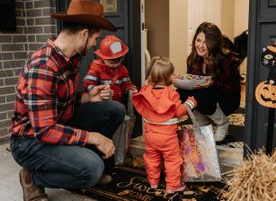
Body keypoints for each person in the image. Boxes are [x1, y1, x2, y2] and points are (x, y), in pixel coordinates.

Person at [10, 0, 126, 201]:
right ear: (84, 34)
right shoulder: (43, 67)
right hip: (30, 142)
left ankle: (78, 162)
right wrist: (93, 137)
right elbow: (45, 130)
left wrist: (88, 97)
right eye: (95, 39)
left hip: (59, 122)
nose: (93, 45)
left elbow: (60, 101)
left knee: (115, 109)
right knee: (92, 169)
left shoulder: (70, 58)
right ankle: (33, 177)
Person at [132, 58, 197, 194]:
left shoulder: (146, 91)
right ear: (169, 77)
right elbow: (179, 112)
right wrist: (190, 103)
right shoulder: (172, 93)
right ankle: (173, 185)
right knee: (172, 160)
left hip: (150, 136)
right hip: (168, 137)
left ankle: (153, 182)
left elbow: (145, 87)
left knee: (151, 157)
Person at [177, 22, 241, 142]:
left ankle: (222, 124)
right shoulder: (192, 59)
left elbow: (232, 89)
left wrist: (213, 83)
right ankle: (203, 122)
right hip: (205, 97)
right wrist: (179, 81)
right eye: (198, 40)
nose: (200, 45)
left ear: (214, 43)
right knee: (180, 93)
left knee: (201, 93)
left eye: (206, 42)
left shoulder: (227, 60)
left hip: (227, 100)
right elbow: (193, 82)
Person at [83, 35, 138, 103]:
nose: (116, 64)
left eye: (119, 61)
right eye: (112, 62)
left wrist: (130, 89)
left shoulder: (123, 69)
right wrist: (98, 91)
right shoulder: (96, 68)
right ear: (103, 58)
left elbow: (126, 84)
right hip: (100, 104)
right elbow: (87, 83)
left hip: (118, 104)